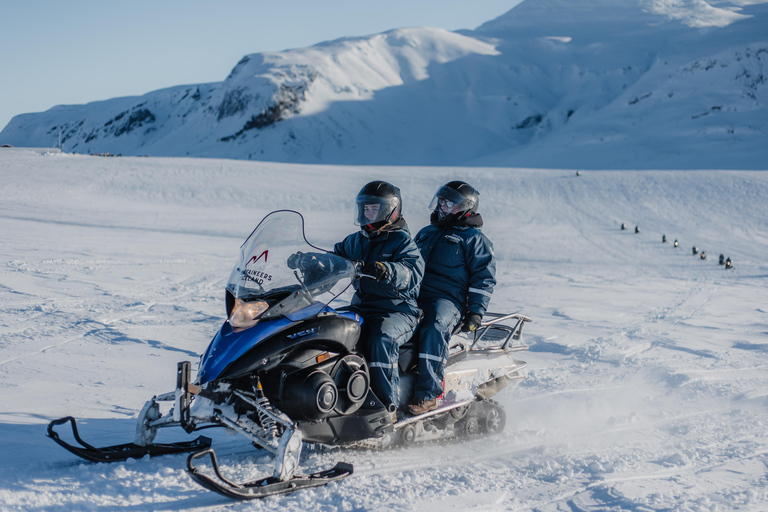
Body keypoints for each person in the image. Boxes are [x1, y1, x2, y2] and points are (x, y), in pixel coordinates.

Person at [332, 181, 424, 416]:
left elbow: (412, 271)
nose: (367, 213)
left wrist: (389, 270)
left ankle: (385, 408)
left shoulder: (402, 242)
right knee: (331, 330)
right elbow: (336, 259)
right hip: (361, 306)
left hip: (398, 310)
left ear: (390, 210)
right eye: (364, 208)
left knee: (381, 339)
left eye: (373, 208)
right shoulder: (356, 240)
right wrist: (312, 263)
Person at [408, 181, 496, 415]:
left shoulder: (474, 239)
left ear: (465, 207)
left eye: (449, 203)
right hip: (415, 294)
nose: (442, 206)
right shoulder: (427, 232)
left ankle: (428, 394)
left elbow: (484, 278)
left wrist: (475, 311)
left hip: (447, 300)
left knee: (433, 325)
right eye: (441, 201)